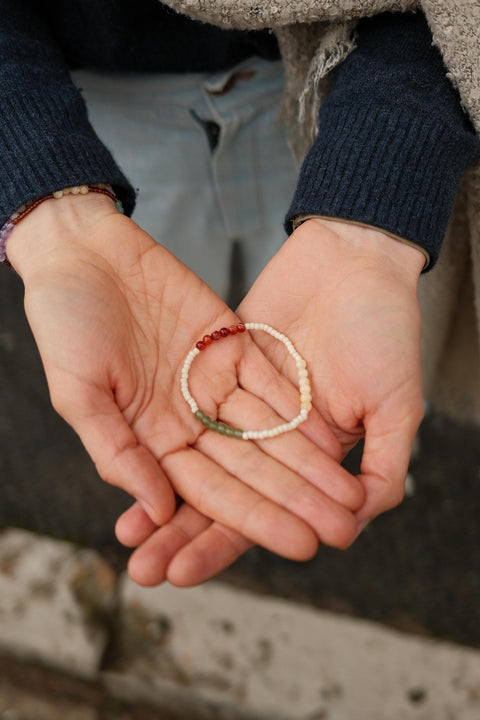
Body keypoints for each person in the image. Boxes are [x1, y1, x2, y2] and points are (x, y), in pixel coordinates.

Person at [0, 1, 478, 587]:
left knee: (353, 330)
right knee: (163, 292)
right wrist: (49, 210)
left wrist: (380, 190)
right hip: (91, 107)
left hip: (338, 91)